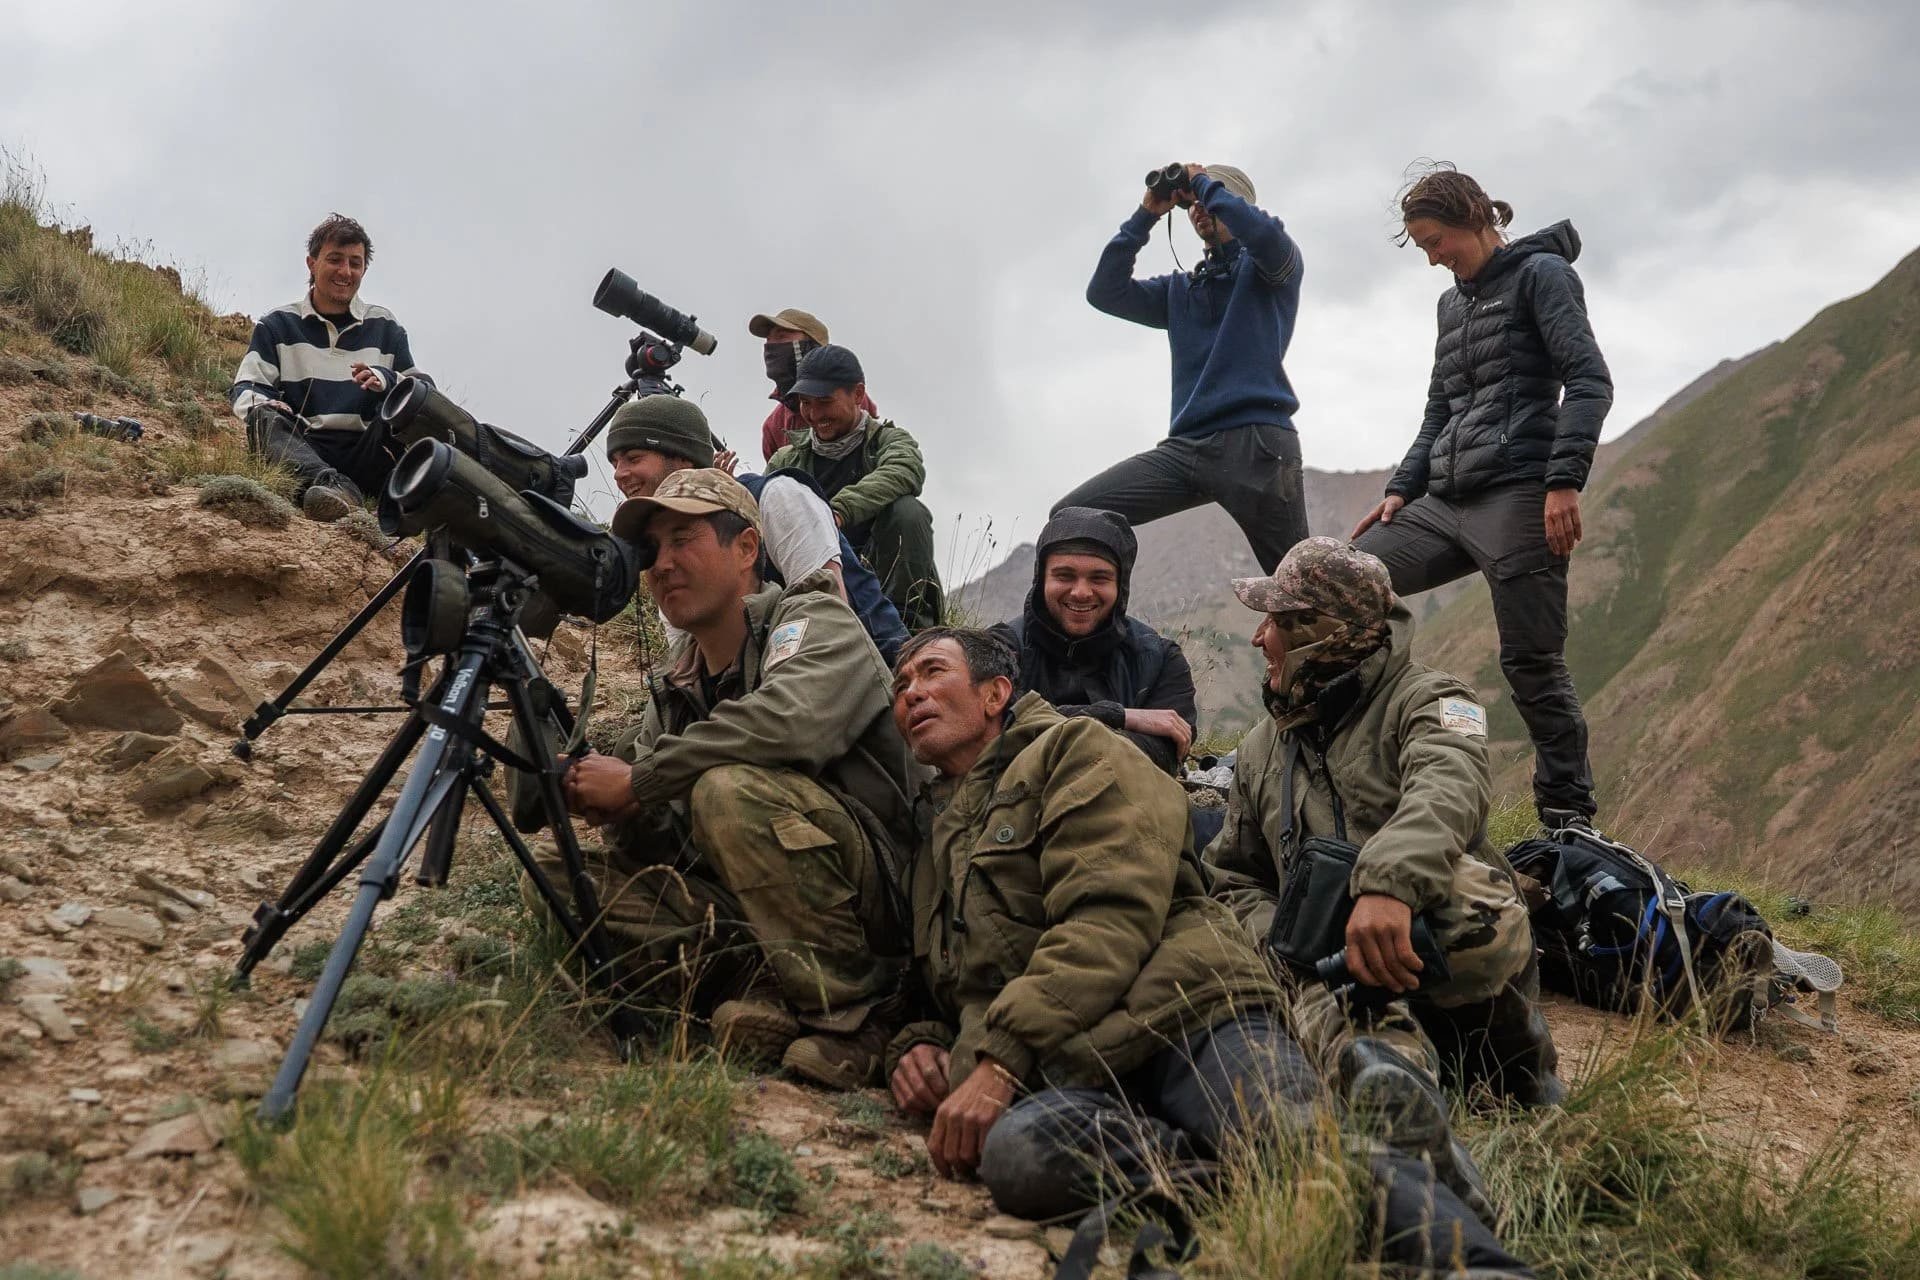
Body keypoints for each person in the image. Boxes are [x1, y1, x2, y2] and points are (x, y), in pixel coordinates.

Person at [885, 628, 1532, 1277]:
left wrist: (999, 1060)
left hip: (1188, 1013)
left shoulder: (1075, 750)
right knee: (1016, 1157)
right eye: (901, 684)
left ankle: (1476, 1261)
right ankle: (1247, 1177)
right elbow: (946, 981)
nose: (911, 692)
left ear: (996, 692)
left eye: (932, 672)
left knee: (1292, 1141)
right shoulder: (931, 835)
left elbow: (1108, 918)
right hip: (1073, 1061)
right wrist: (918, 1044)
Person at [1205, 536, 1563, 1214]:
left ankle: (1520, 1068)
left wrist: (1386, 885)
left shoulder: (1435, 700)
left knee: (1475, 901)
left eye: (1274, 623)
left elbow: (1449, 785)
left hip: (1431, 934)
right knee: (1343, 1025)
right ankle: (1419, 1135)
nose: (1258, 639)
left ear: (1318, 636)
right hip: (1335, 962)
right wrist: (1288, 937)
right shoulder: (1258, 751)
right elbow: (1232, 878)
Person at [550, 469, 919, 1088]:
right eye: (652, 550)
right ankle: (760, 979)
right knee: (558, 874)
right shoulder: (678, 678)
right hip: (754, 900)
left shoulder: (815, 619)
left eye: (683, 540)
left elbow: (788, 724)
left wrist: (641, 780)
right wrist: (604, 801)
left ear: (747, 548)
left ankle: (862, 1012)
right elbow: (665, 836)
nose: (663, 564)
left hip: (878, 900)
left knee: (724, 790)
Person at [1351, 164, 1611, 829]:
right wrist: (1401, 489)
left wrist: (1563, 481)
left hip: (1521, 493)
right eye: (1422, 248)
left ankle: (1568, 819)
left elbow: (1588, 381)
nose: (1433, 259)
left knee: (1531, 662)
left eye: (1436, 242)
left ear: (1473, 218)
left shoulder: (1543, 276)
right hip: (1444, 499)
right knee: (1344, 584)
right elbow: (1440, 408)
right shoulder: (1451, 304)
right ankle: (1349, 772)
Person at [1058, 163, 1307, 573]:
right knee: (1073, 517)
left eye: (1209, 198)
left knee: (1299, 579)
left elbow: (1263, 235)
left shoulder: (1272, 267)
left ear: (1236, 204)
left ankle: (1361, 618)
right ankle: (1107, 609)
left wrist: (1203, 184)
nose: (1198, 208)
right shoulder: (1180, 290)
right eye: (1191, 204)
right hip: (1188, 448)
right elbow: (1104, 291)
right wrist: (1146, 215)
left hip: (1256, 444)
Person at [603, 393, 908, 664]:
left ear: (683, 458)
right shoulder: (663, 550)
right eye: (615, 463)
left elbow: (831, 627)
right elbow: (686, 658)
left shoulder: (776, 499)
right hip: (764, 687)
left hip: (868, 676)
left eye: (633, 458)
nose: (619, 474)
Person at [230, 213, 431, 522]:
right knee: (263, 418)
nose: (345, 272)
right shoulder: (277, 325)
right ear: (312, 264)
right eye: (335, 260)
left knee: (408, 409)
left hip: (370, 451)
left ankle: (385, 497)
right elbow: (246, 387)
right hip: (306, 447)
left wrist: (387, 380)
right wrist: (265, 403)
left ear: (364, 270)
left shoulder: (385, 326)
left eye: (355, 263)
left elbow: (424, 394)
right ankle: (333, 489)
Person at [986, 506, 1195, 775]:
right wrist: (1120, 717)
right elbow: (991, 729)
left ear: (1120, 585)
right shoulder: (1001, 647)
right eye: (1064, 576)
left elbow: (1163, 754)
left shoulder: (1161, 660)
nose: (1081, 592)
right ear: (1041, 579)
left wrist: (1039, 730)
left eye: (1099, 578)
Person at [769, 345, 943, 630]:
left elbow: (904, 470)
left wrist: (837, 512)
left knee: (908, 512)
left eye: (824, 401)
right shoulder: (786, 461)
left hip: (883, 579)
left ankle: (908, 630)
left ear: (858, 394)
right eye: (806, 403)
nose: (814, 414)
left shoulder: (889, 441)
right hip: (814, 594)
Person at [749, 307, 878, 463]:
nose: (770, 347)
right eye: (768, 340)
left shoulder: (847, 398)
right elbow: (775, 476)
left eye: (781, 336)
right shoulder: (773, 426)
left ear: (811, 344)